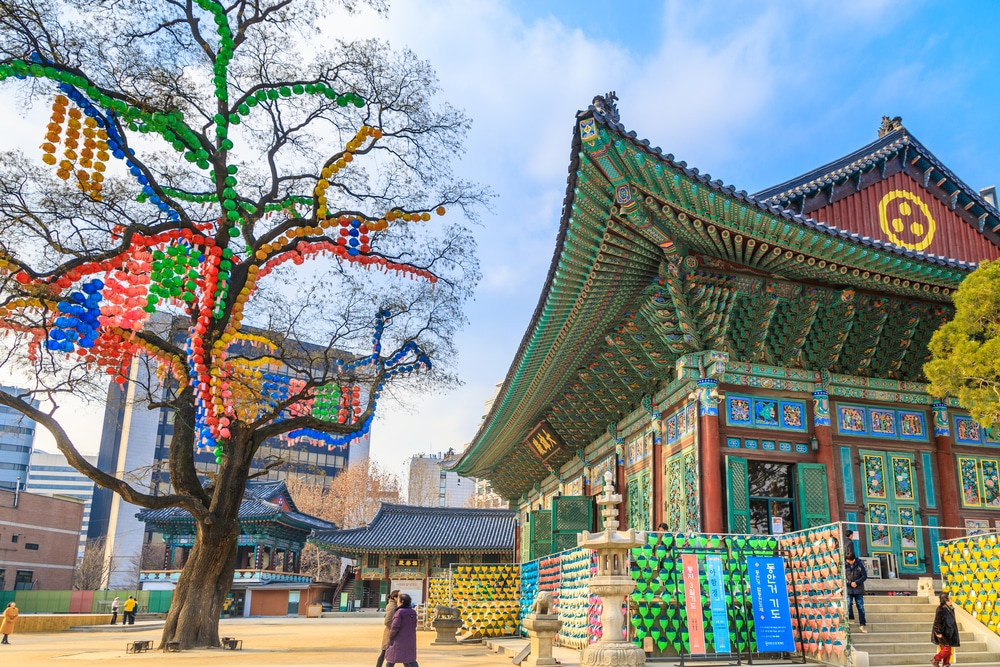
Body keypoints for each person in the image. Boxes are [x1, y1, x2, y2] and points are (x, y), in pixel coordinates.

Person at [385, 593, 418, 667]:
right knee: (411, 660)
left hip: (398, 640)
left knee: (391, 660)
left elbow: (394, 628)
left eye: (398, 601)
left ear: (402, 602)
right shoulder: (413, 612)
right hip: (410, 639)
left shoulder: (399, 612)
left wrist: (390, 638)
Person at [932, 592, 960, 666]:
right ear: (946, 600)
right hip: (942, 633)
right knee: (946, 649)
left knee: (949, 650)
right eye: (949, 598)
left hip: (949, 633)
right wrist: (938, 632)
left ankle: (946, 664)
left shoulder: (950, 608)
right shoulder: (940, 609)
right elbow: (937, 621)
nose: (951, 600)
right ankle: (936, 659)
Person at [376, 590, 400, 667]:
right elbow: (387, 621)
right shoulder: (392, 607)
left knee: (387, 653)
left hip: (392, 633)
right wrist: (394, 630)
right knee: (384, 652)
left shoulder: (395, 605)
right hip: (390, 633)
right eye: (400, 596)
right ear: (395, 598)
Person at [845, 553, 868, 633]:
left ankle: (863, 624)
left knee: (860, 606)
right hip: (849, 588)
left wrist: (856, 582)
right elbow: (842, 577)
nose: (850, 562)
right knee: (848, 603)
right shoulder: (844, 565)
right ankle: (851, 617)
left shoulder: (859, 565)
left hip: (858, 588)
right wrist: (849, 583)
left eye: (851, 560)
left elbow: (864, 576)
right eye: (848, 560)